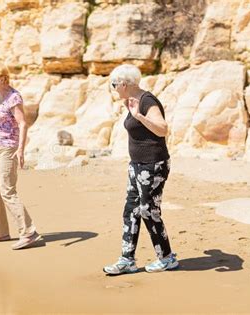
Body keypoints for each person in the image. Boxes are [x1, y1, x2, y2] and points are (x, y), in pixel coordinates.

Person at [103, 64, 179, 274]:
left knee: (148, 210)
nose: (114, 88)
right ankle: (127, 259)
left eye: (114, 84)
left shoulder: (147, 101)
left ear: (124, 84)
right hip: (136, 166)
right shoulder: (131, 101)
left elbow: (162, 129)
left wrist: (139, 117)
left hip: (153, 165)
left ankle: (166, 258)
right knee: (131, 210)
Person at [0, 62, 41, 250]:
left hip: (9, 148)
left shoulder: (14, 97)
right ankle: (0, 232)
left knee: (7, 190)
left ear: (1, 79)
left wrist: (21, 149)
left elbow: (23, 124)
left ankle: (29, 233)